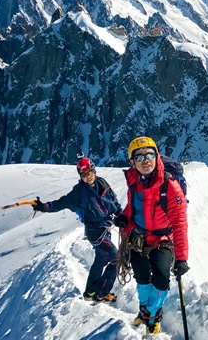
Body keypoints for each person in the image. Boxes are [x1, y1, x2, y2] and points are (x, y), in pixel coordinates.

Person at [114, 136, 190, 334]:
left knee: (161, 277)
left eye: (149, 155)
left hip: (163, 239)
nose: (145, 160)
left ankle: (153, 314)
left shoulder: (170, 187)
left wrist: (181, 258)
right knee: (142, 278)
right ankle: (144, 310)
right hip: (138, 237)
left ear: (157, 157)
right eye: (139, 157)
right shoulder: (134, 183)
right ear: (132, 162)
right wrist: (124, 217)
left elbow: (180, 224)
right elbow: (134, 207)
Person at [33, 157, 122, 303]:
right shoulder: (79, 192)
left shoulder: (102, 182)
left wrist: (121, 215)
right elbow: (62, 202)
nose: (88, 177)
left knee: (101, 260)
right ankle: (102, 292)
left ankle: (90, 292)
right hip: (95, 232)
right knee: (116, 258)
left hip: (106, 228)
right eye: (84, 175)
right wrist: (45, 207)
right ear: (80, 176)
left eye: (90, 173)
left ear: (94, 171)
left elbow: (113, 201)